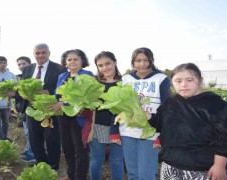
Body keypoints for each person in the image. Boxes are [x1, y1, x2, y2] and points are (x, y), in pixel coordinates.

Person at [147, 63, 227, 180]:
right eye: (178, 81)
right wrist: (147, 116)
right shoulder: (170, 103)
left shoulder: (216, 105)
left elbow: (225, 139)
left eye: (189, 80)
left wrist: (219, 166)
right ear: (172, 83)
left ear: (200, 80)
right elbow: (159, 124)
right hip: (171, 166)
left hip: (203, 169)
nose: (183, 85)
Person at [120, 47, 171, 180]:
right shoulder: (125, 79)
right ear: (133, 62)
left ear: (151, 61)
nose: (142, 64)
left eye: (145, 60)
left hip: (151, 132)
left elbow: (166, 108)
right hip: (127, 131)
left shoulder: (161, 78)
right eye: (138, 60)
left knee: (146, 174)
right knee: (132, 173)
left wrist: (162, 135)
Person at [19, 43, 65, 170]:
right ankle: (41, 164)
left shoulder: (59, 68)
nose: (40, 55)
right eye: (37, 53)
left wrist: (49, 92)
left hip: (51, 108)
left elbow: (63, 89)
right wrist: (21, 94)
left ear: (49, 53)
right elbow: (22, 87)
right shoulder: (27, 69)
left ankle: (53, 166)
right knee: (34, 139)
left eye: (43, 52)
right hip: (32, 108)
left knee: (53, 139)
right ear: (33, 54)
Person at [49, 49, 93, 180]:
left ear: (82, 61)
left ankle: (80, 177)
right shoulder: (62, 76)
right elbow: (58, 96)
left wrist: (65, 104)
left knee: (80, 150)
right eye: (69, 59)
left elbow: (86, 97)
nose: (72, 62)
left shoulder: (87, 75)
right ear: (65, 62)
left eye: (76, 59)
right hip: (63, 117)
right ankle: (70, 175)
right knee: (67, 148)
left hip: (79, 117)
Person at [89, 51, 124, 180]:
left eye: (108, 63)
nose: (105, 68)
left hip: (119, 127)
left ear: (115, 62)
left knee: (116, 160)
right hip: (98, 126)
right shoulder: (94, 83)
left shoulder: (124, 83)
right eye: (101, 65)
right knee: (97, 160)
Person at [14, 56, 36, 164]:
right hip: (23, 110)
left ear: (30, 64)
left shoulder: (33, 77)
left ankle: (32, 154)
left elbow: (23, 95)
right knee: (27, 132)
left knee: (30, 133)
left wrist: (14, 94)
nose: (21, 66)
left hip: (30, 109)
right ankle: (28, 151)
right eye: (19, 64)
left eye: (24, 63)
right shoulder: (20, 78)